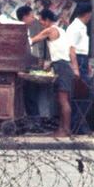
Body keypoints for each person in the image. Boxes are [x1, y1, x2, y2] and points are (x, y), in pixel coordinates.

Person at [30, 8, 78, 137]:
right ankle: (62, 129)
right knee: (62, 99)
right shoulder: (63, 31)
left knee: (63, 100)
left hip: (61, 66)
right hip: (64, 66)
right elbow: (71, 52)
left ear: (47, 20)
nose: (40, 23)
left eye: (41, 20)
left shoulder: (50, 29)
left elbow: (32, 41)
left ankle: (66, 130)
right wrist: (75, 69)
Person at [65, 1, 94, 134]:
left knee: (85, 94)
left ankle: (79, 124)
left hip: (83, 59)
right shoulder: (75, 27)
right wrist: (76, 68)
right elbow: (71, 49)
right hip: (78, 60)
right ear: (88, 14)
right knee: (84, 94)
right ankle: (77, 125)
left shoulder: (82, 27)